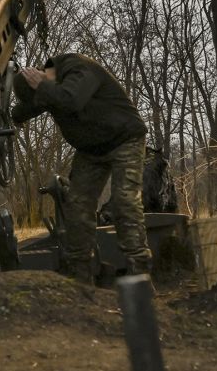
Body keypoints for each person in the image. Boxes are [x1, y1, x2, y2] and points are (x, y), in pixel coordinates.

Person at [11, 53, 151, 281]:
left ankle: (140, 271)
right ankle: (81, 275)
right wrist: (15, 114)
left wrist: (43, 87)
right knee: (77, 206)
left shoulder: (76, 66)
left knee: (125, 201)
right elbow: (34, 106)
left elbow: (71, 100)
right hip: (91, 150)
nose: (43, 103)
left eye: (42, 93)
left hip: (124, 138)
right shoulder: (51, 86)